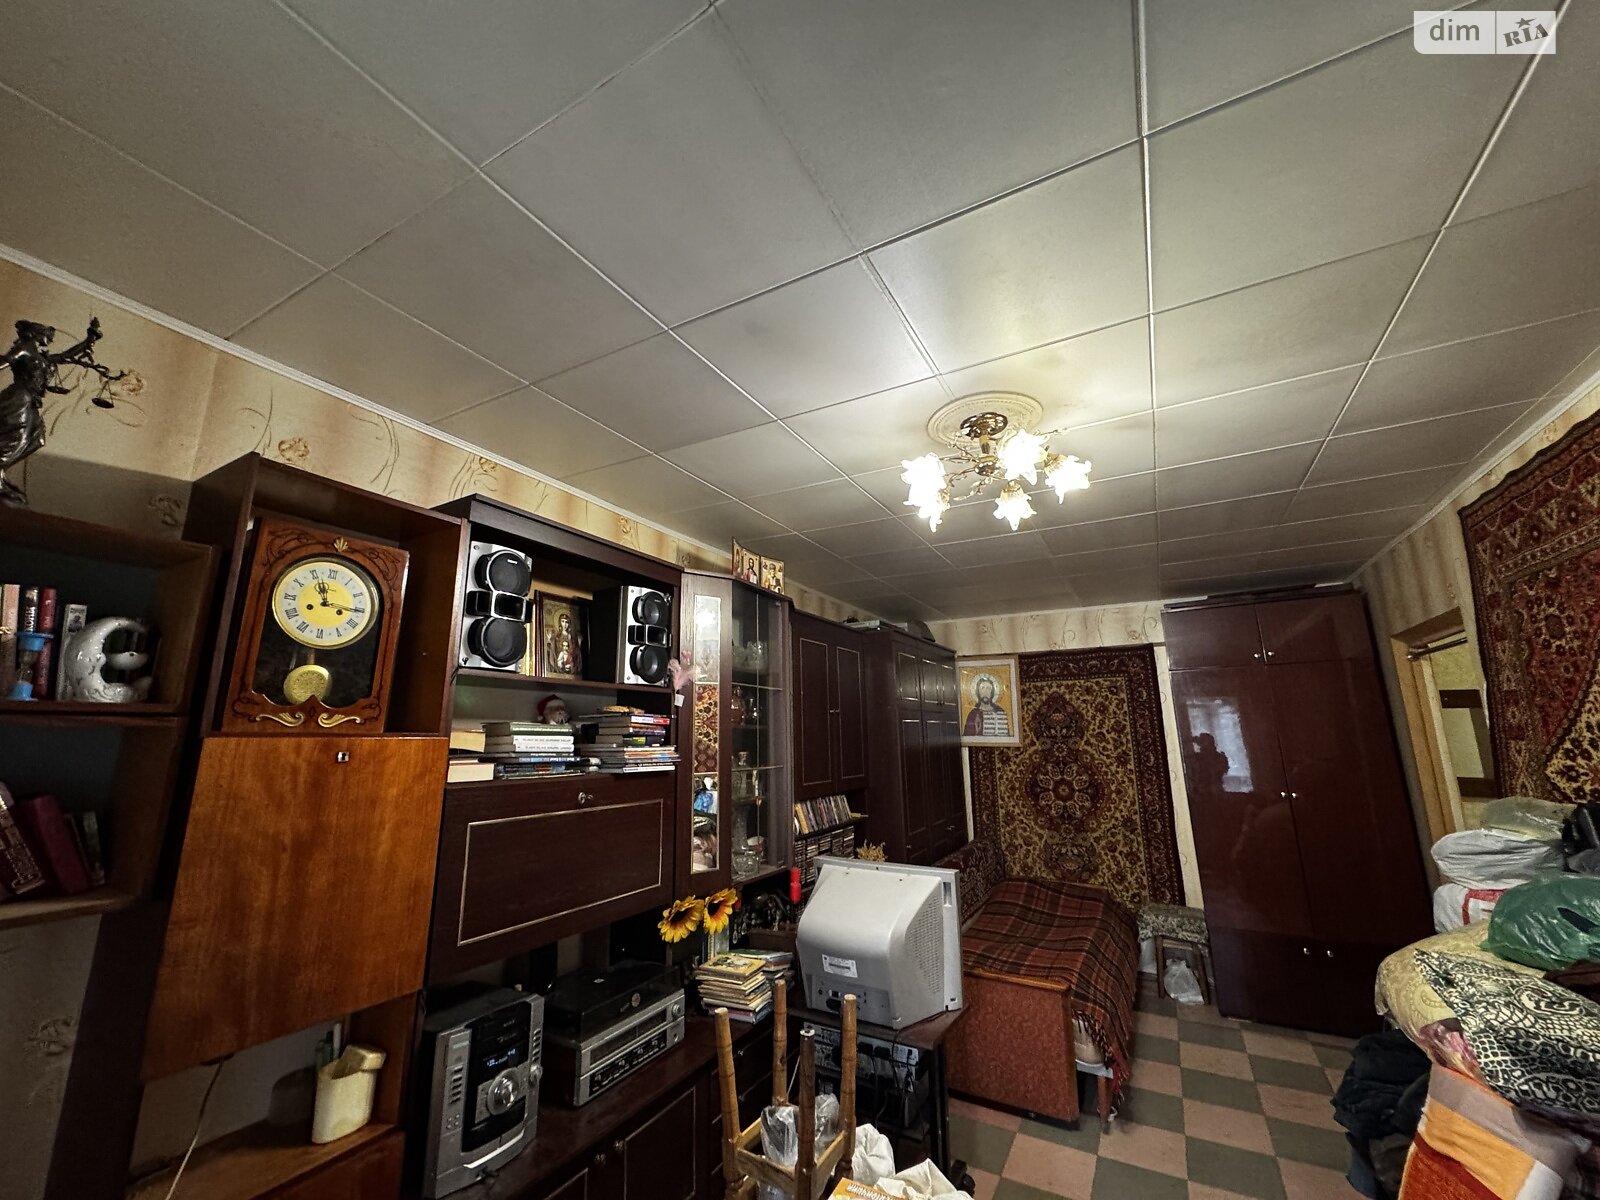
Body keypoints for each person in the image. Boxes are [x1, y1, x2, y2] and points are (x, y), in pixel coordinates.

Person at [964, 673, 1010, 738]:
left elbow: (1006, 737)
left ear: (992, 692)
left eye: (988, 688)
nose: (985, 692)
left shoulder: (1000, 711)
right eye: (982, 688)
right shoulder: (973, 714)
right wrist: (977, 730)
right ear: (978, 692)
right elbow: (968, 737)